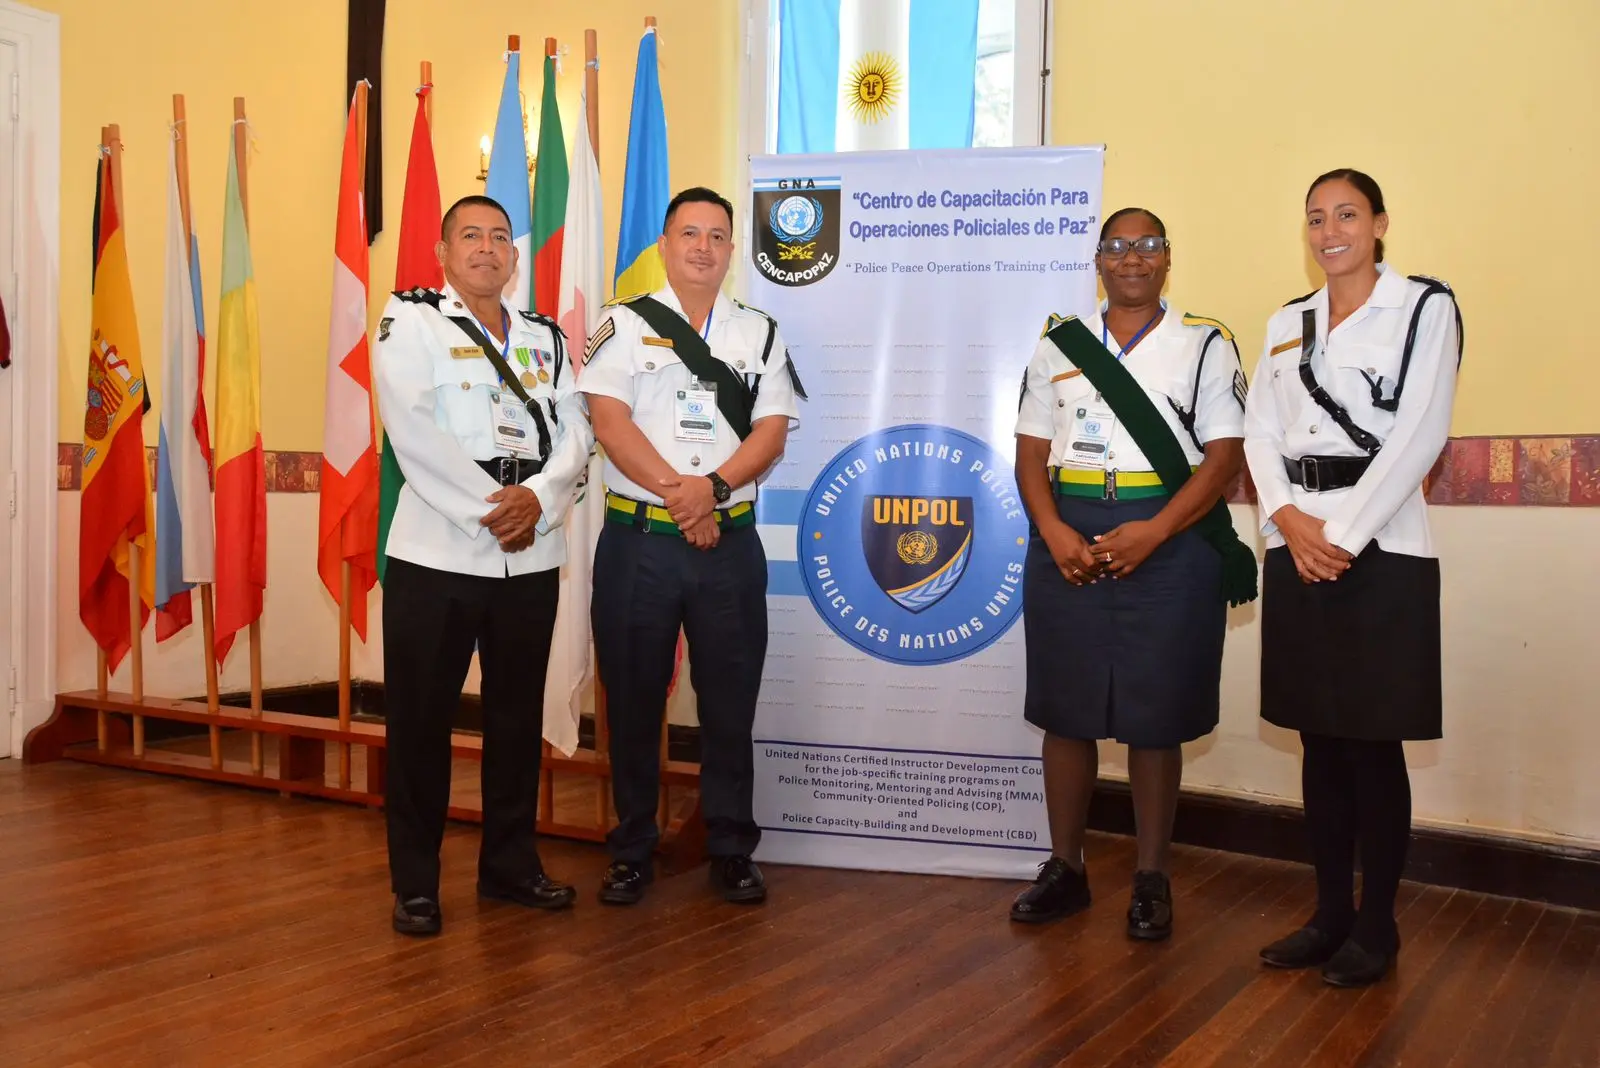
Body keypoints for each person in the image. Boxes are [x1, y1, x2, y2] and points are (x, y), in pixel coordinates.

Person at [1010, 207, 1257, 938]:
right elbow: (1029, 450)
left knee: (1156, 717)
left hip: (1169, 537)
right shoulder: (1058, 344)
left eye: (1146, 245)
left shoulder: (1206, 344)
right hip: (1069, 535)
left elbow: (1223, 457)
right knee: (1066, 709)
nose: (1132, 258)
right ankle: (1066, 868)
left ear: (1167, 258)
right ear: (1099, 259)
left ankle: (1151, 876)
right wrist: (1051, 528)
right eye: (1117, 246)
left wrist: (1155, 531)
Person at [1245, 169, 1462, 987]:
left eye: (1346, 214)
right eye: (1315, 218)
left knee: (1373, 745)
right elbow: (1261, 433)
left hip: (1383, 545)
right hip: (1298, 537)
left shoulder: (1423, 307)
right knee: (1318, 740)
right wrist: (1290, 522)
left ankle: (1378, 925)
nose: (1329, 230)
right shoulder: (1285, 323)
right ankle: (1329, 913)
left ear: (1378, 224)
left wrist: (1338, 535)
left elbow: (1421, 433)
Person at [372, 194, 595, 936]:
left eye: (500, 237)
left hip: (529, 557)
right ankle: (416, 884)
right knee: (420, 725)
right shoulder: (411, 322)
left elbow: (574, 431)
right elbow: (414, 432)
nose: (487, 248)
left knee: (512, 718)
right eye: (470, 235)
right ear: (442, 253)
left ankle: (508, 867)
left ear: (514, 255)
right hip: (436, 554)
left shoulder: (544, 339)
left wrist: (535, 500)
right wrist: (492, 510)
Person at [579, 186, 803, 906]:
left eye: (716, 236)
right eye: (688, 234)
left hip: (728, 546)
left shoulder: (760, 332)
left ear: (732, 250)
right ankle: (633, 847)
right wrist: (687, 494)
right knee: (635, 701)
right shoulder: (622, 323)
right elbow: (609, 422)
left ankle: (731, 844)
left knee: (731, 704)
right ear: (666, 245)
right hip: (639, 544)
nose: (703, 247)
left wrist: (713, 488)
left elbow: (771, 431)